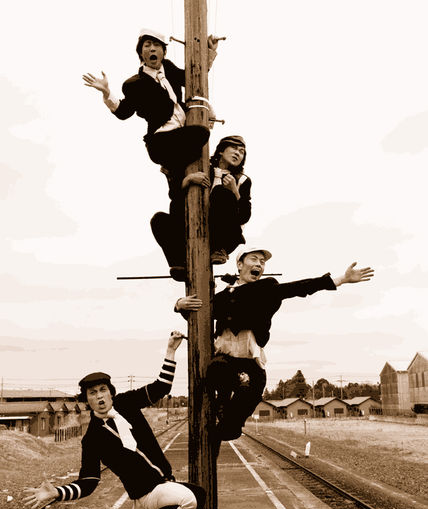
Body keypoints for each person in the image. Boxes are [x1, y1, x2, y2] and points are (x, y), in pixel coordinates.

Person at [23, 331, 205, 509]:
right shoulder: (92, 439)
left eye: (102, 390)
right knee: (189, 500)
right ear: (86, 400)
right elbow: (88, 482)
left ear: (110, 392)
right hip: (148, 493)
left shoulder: (126, 404)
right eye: (92, 393)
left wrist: (170, 350)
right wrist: (57, 492)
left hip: (166, 481)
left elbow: (160, 387)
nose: (99, 396)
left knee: (201, 495)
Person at [175, 248, 374, 445]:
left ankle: (228, 426)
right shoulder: (222, 297)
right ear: (240, 265)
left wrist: (340, 279)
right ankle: (222, 406)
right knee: (216, 369)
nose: (259, 264)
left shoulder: (266, 289)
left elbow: (297, 288)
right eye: (254, 259)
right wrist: (179, 305)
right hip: (224, 359)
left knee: (250, 394)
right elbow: (198, 312)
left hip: (249, 360)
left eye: (262, 262)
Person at [82, 28, 220, 177]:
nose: (152, 48)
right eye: (147, 45)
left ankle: (173, 171)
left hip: (181, 137)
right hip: (160, 142)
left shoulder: (168, 67)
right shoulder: (134, 84)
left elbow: (192, 78)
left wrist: (209, 51)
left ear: (164, 52)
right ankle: (172, 168)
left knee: (184, 180)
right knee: (201, 133)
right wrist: (106, 92)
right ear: (141, 54)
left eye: (156, 45)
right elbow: (123, 112)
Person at [151, 135, 252, 281]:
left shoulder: (242, 180)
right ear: (221, 151)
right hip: (193, 224)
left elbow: (244, 216)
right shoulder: (201, 167)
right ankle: (179, 264)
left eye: (242, 152)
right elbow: (174, 196)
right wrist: (188, 179)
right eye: (234, 148)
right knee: (159, 219)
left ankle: (218, 250)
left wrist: (235, 192)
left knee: (221, 193)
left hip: (225, 235)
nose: (238, 153)